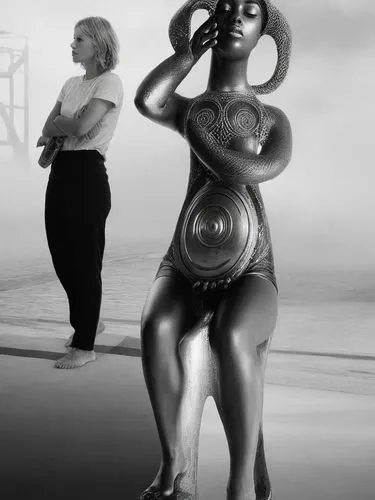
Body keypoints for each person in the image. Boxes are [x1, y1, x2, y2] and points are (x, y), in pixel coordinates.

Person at [135, 0, 292, 499]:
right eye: (224, 8)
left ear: (266, 34)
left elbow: (254, 172)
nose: (233, 18)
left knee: (233, 334)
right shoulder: (189, 106)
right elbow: (148, 101)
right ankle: (172, 462)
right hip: (185, 258)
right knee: (156, 325)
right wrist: (188, 53)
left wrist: (200, 135)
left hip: (252, 265)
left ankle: (242, 479)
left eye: (249, 11)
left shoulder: (270, 118)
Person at [37, 16, 123, 369]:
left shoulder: (110, 82)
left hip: (88, 174)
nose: (72, 45)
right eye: (73, 39)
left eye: (79, 39)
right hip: (60, 173)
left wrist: (63, 125)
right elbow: (48, 128)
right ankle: (90, 319)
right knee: (61, 255)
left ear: (98, 45)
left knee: (86, 262)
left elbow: (84, 130)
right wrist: (63, 126)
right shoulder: (71, 84)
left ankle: (84, 344)